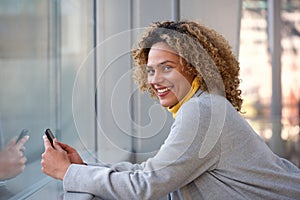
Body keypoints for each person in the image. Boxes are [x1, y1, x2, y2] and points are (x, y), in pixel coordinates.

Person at [41, 20, 300, 199]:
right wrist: (84, 168)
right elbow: (154, 172)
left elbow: (146, 187)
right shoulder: (202, 106)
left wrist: (68, 173)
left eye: (167, 67)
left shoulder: (202, 112)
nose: (154, 79)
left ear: (196, 68)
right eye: (151, 70)